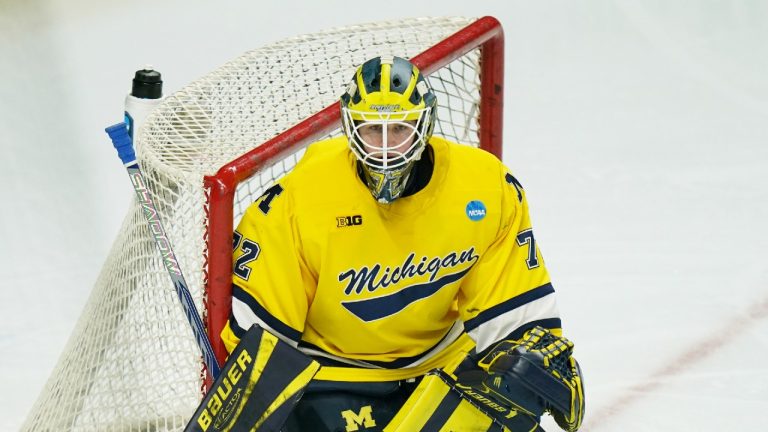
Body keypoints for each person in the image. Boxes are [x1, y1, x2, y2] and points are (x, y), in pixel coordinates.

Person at [221, 55, 584, 431]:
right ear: (350, 126)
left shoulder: (486, 187)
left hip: (445, 369)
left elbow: (512, 311)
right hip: (334, 377)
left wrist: (529, 356)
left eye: (398, 129)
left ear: (424, 124)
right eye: (371, 130)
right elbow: (259, 341)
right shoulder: (298, 200)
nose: (384, 147)